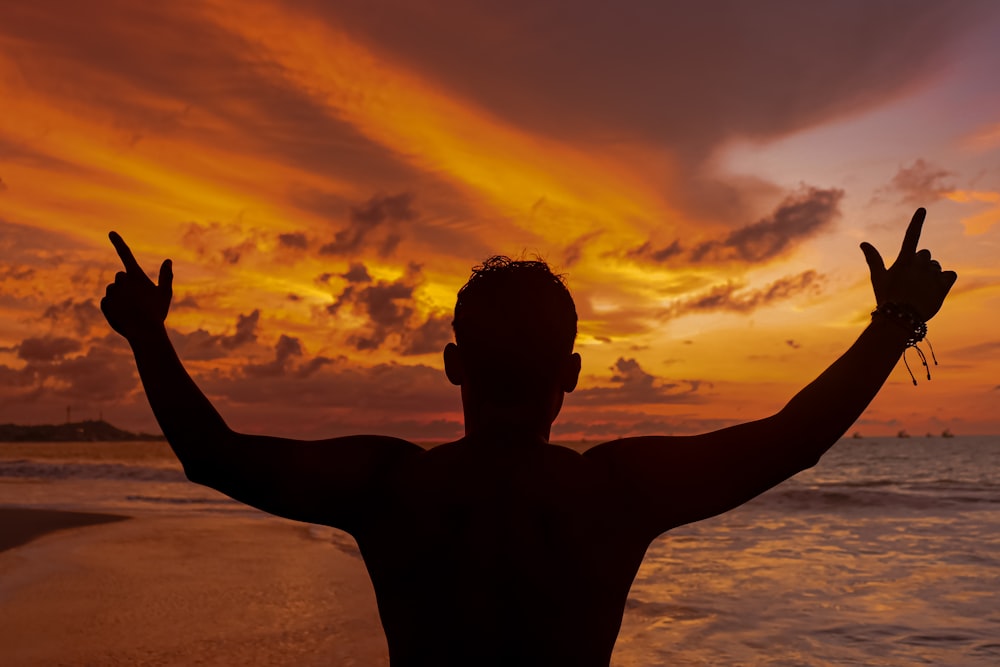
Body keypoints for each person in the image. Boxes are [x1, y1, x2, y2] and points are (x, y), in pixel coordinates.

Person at [101, 209, 955, 666]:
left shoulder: (393, 486)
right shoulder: (613, 493)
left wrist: (148, 333)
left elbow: (211, 454)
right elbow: (791, 439)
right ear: (573, 374)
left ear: (452, 367)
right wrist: (892, 325)